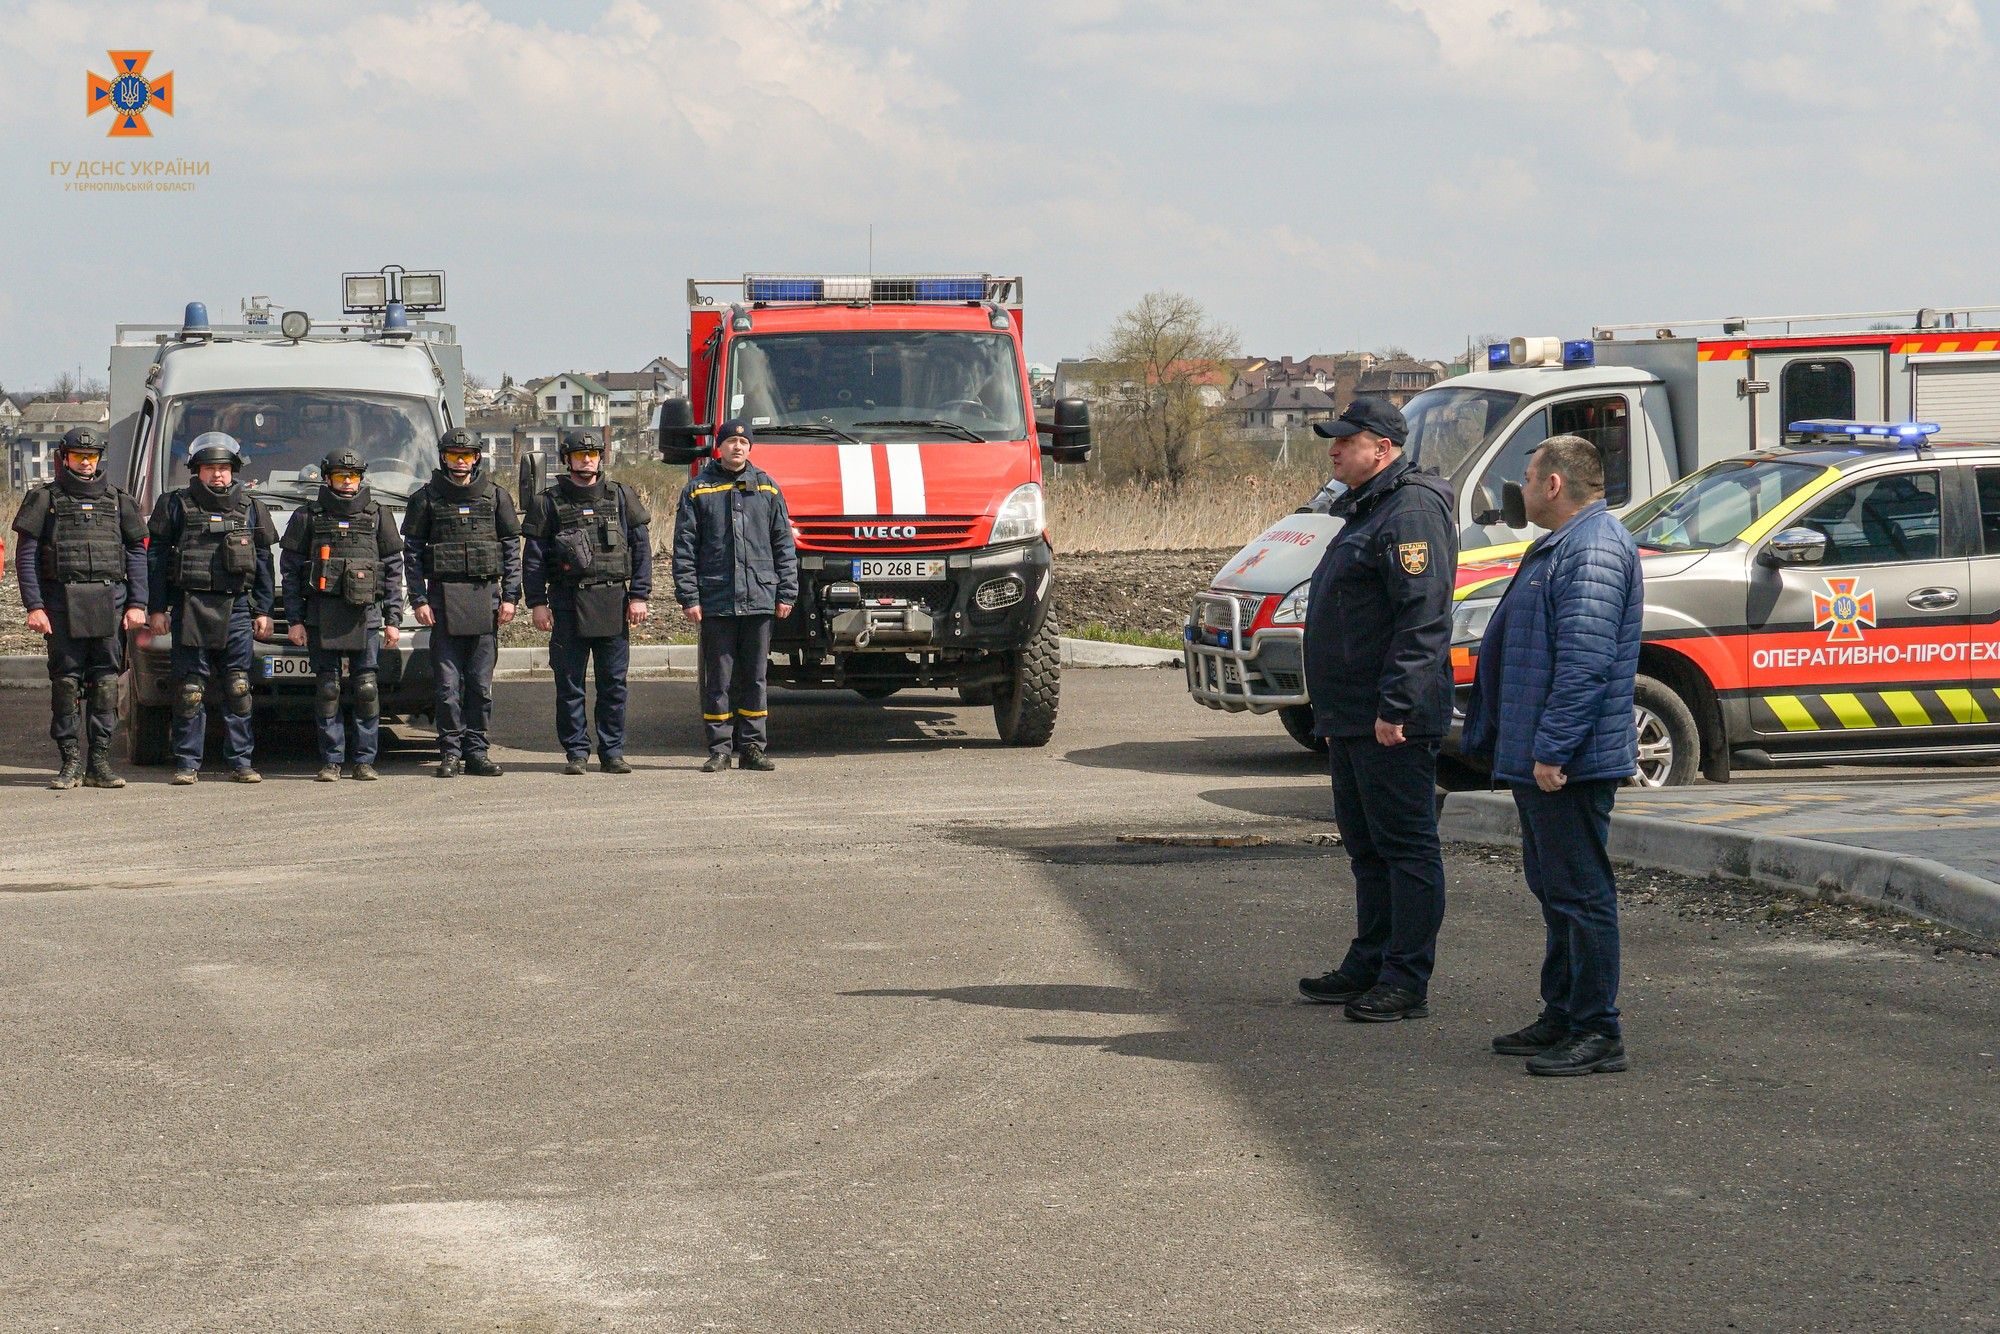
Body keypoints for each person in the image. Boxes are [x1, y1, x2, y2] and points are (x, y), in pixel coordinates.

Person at [1463, 435, 1643, 1077]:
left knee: (1580, 892)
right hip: (1544, 753)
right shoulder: (1564, 543)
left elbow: (1586, 663)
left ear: (1556, 484)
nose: (1524, 487)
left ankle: (1597, 1030)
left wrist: (1553, 749)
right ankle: (1563, 1012)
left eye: (1530, 475)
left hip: (1568, 760)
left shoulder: (1593, 549)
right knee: (1556, 886)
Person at [1295, 396, 1458, 1021]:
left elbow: (1423, 618)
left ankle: (1405, 978)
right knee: (1366, 847)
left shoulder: (1410, 508)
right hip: (1354, 714)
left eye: (1345, 441)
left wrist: (1395, 706)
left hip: (1391, 717)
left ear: (1382, 449)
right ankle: (1371, 959)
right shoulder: (1367, 505)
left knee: (1405, 848)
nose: (1333, 450)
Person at [10, 428, 149, 789]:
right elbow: (25, 557)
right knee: (66, 685)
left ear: (99, 458)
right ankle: (70, 761)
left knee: (105, 684)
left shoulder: (120, 500)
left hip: (110, 604)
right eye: (77, 456)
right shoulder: (44, 499)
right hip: (59, 606)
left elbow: (136, 553)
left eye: (91, 456)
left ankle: (99, 763)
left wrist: (138, 603)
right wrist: (34, 606)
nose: (85, 462)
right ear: (65, 457)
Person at [146, 432, 279, 784]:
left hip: (236, 609)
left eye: (223, 468)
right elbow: (156, 559)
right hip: (191, 608)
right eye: (209, 468)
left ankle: (241, 762)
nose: (217, 475)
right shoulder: (174, 505)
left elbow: (264, 564)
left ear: (233, 470)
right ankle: (188, 763)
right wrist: (156, 608)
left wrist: (263, 610)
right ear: (196, 471)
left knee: (238, 687)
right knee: (190, 690)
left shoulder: (252, 508)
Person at [671, 418, 798, 772]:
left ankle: (753, 748)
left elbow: (783, 546)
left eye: (743, 443)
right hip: (716, 600)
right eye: (730, 442)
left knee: (755, 677)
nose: (737, 448)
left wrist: (786, 591)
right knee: (719, 679)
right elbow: (684, 549)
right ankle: (720, 748)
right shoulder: (698, 490)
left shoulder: (768, 489)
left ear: (750, 448)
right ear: (719, 447)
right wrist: (689, 596)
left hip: (759, 598)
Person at [523, 429, 652, 774]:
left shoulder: (621, 495)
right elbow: (533, 559)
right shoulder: (547, 502)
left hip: (612, 598)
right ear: (567, 459)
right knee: (569, 685)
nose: (587, 459)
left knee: (613, 684)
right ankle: (577, 752)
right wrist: (536, 602)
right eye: (579, 454)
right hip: (566, 602)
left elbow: (641, 550)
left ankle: (612, 752)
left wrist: (639, 594)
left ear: (600, 458)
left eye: (593, 453)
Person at [279, 446, 406, 782]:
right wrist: (294, 620)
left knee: (366, 688)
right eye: (341, 476)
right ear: (327, 478)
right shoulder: (307, 517)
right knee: (329, 689)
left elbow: (393, 571)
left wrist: (393, 620)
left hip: (366, 616)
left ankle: (364, 760)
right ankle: (332, 761)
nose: (349, 482)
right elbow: (290, 572)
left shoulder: (379, 515)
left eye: (354, 476)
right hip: (322, 616)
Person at [402, 428, 521, 777]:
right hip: (442, 603)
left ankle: (477, 752)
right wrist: (419, 599)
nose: (460, 461)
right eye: (454, 455)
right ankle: (450, 753)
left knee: (480, 686)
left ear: (476, 458)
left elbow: (511, 551)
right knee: (447, 687)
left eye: (466, 455)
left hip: (486, 601)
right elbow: (412, 555)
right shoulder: (425, 499)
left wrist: (511, 597)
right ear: (443, 457)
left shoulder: (496, 497)